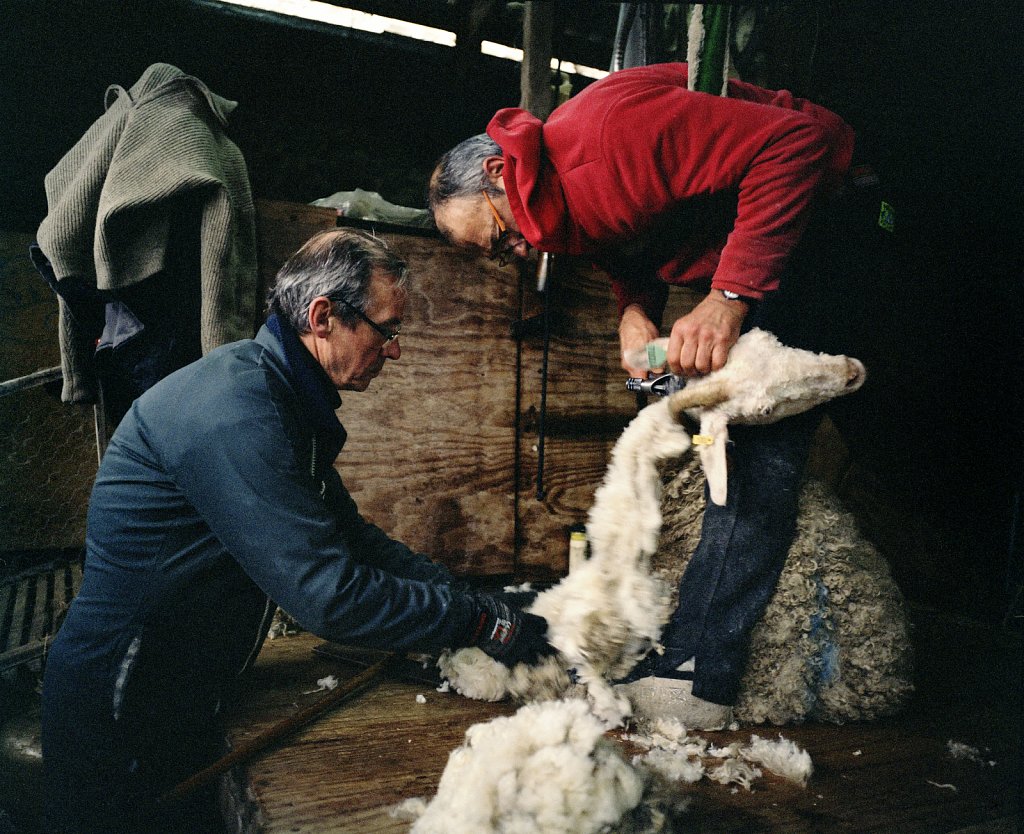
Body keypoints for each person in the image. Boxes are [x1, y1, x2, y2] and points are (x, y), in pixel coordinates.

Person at [41, 228, 553, 833]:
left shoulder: (278, 396)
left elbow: (350, 537)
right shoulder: (236, 410)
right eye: (387, 330)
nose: (394, 351)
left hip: (183, 686)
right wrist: (477, 622)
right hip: (119, 698)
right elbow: (326, 594)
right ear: (323, 317)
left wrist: (474, 599)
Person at [429, 62, 859, 729]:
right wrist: (635, 306)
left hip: (827, 212)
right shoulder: (554, 204)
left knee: (748, 455)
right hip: (769, 237)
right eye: (498, 250)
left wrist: (728, 297)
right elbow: (635, 232)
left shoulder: (607, 141)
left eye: (500, 234)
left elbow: (793, 143)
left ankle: (703, 677)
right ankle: (674, 628)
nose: (512, 250)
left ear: (495, 174)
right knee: (712, 442)